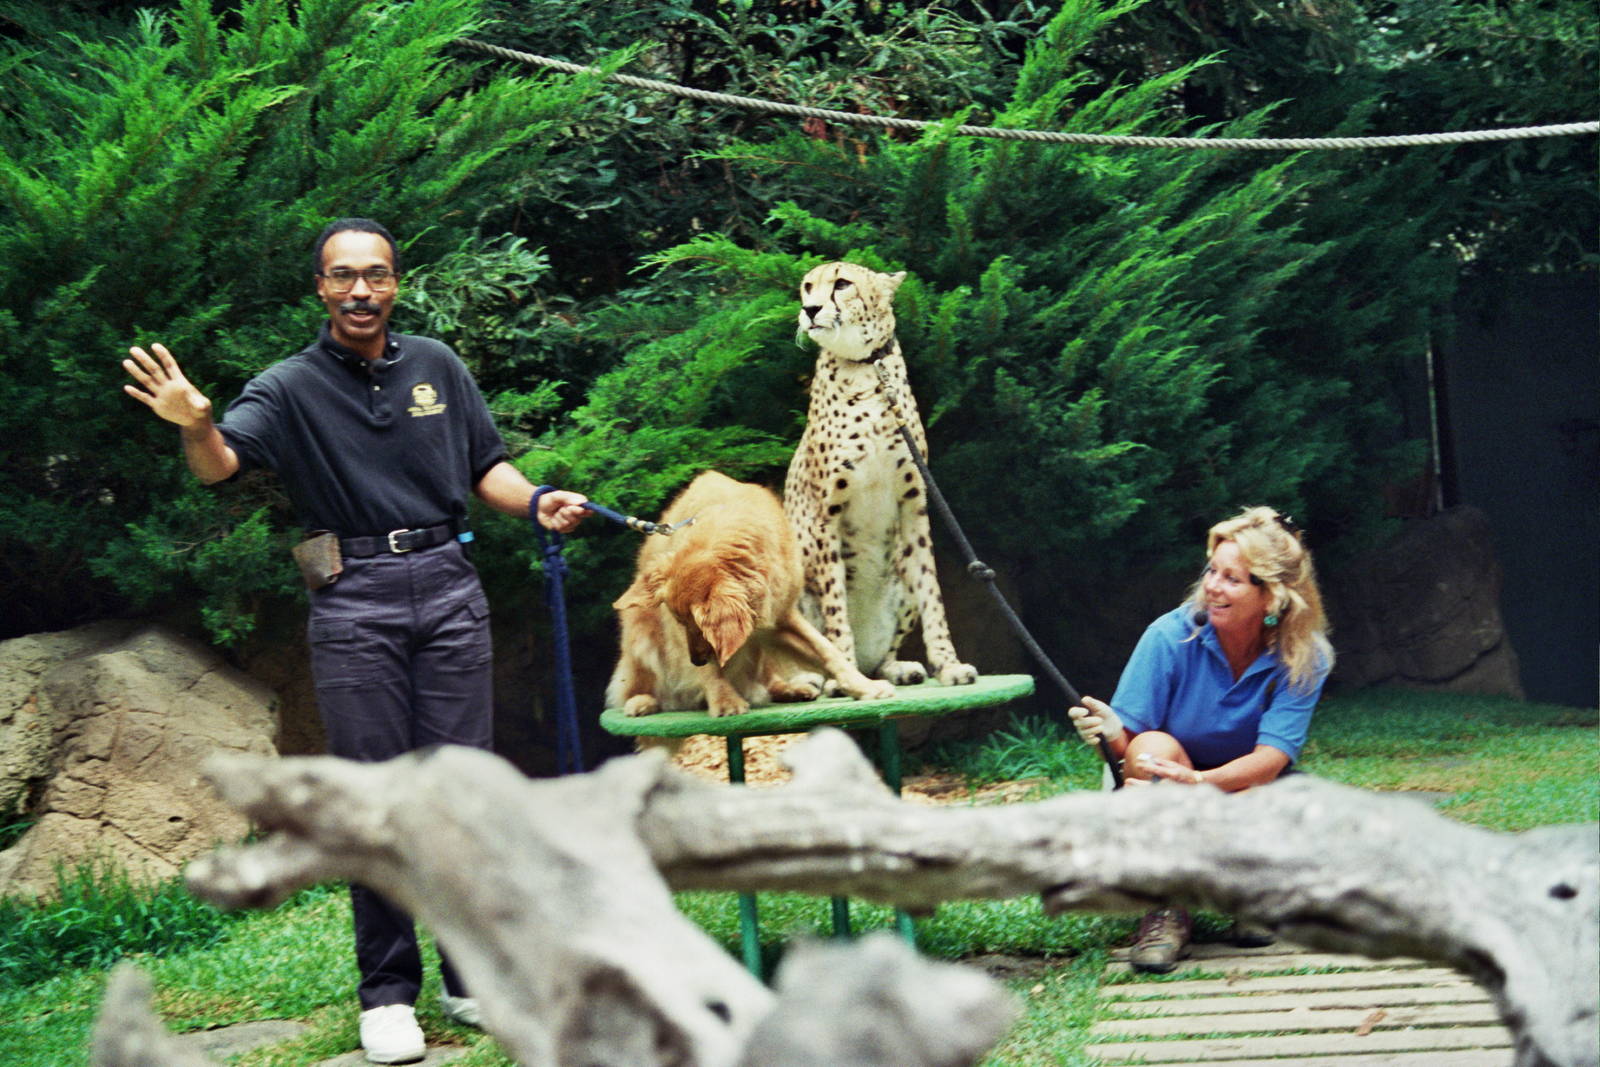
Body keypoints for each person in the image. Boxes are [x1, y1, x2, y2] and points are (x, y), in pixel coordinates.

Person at [122, 218, 589, 1065]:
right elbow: (220, 463)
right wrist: (194, 422)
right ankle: (386, 994)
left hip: (450, 585)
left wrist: (536, 500)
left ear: (396, 283)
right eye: (344, 277)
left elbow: (487, 463)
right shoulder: (289, 385)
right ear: (322, 290)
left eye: (376, 275)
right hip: (354, 598)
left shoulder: (436, 366)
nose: (361, 290)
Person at [1067, 506, 1333, 974]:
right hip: (1161, 790)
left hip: (1246, 792)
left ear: (1271, 597)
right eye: (1212, 570)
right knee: (1151, 749)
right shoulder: (1169, 636)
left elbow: (1270, 760)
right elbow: (1130, 753)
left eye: (1233, 579)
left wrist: (1196, 782)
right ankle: (1166, 910)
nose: (1213, 586)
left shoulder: (1304, 656)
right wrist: (1108, 737)